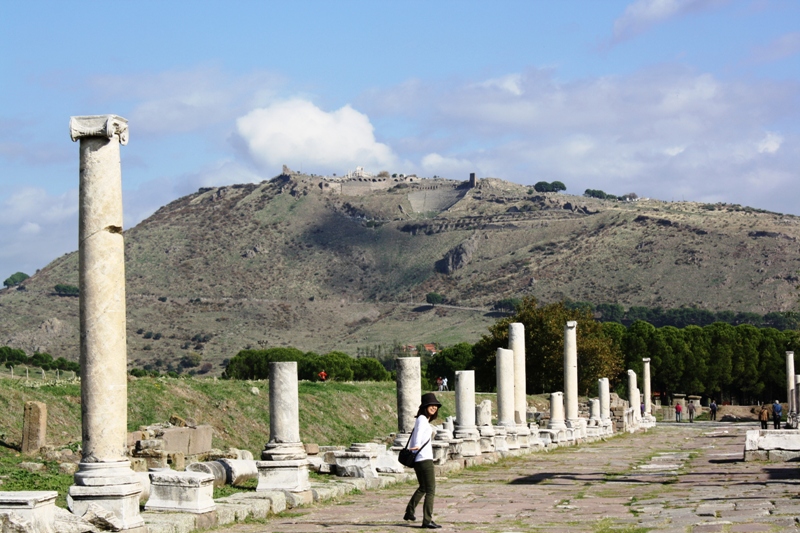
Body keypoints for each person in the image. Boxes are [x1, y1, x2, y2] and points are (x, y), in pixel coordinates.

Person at [404, 392, 442, 529]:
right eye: (431, 405)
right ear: (425, 406)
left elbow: (418, 433)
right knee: (431, 489)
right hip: (424, 459)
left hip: (419, 459)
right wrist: (417, 445)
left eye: (436, 405)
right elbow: (419, 434)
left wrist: (416, 447)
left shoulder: (422, 419)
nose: (434, 407)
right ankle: (427, 520)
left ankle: (409, 511)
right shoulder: (421, 419)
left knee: (423, 488)